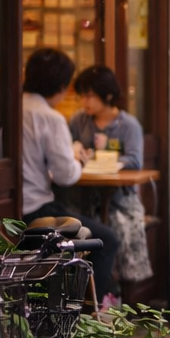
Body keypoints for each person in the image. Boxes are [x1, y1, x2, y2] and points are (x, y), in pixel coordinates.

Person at [22, 47, 120, 304]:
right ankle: (84, 319)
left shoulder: (3, 109)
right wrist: (77, 158)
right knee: (105, 241)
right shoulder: (49, 118)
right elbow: (66, 176)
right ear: (62, 85)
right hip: (36, 212)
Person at [70, 64, 152, 286]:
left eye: (89, 96)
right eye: (82, 96)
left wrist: (99, 160)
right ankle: (90, 291)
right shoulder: (79, 121)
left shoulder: (128, 125)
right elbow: (68, 149)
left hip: (120, 201)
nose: (84, 102)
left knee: (119, 229)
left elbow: (135, 160)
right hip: (83, 199)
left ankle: (113, 292)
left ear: (107, 95)